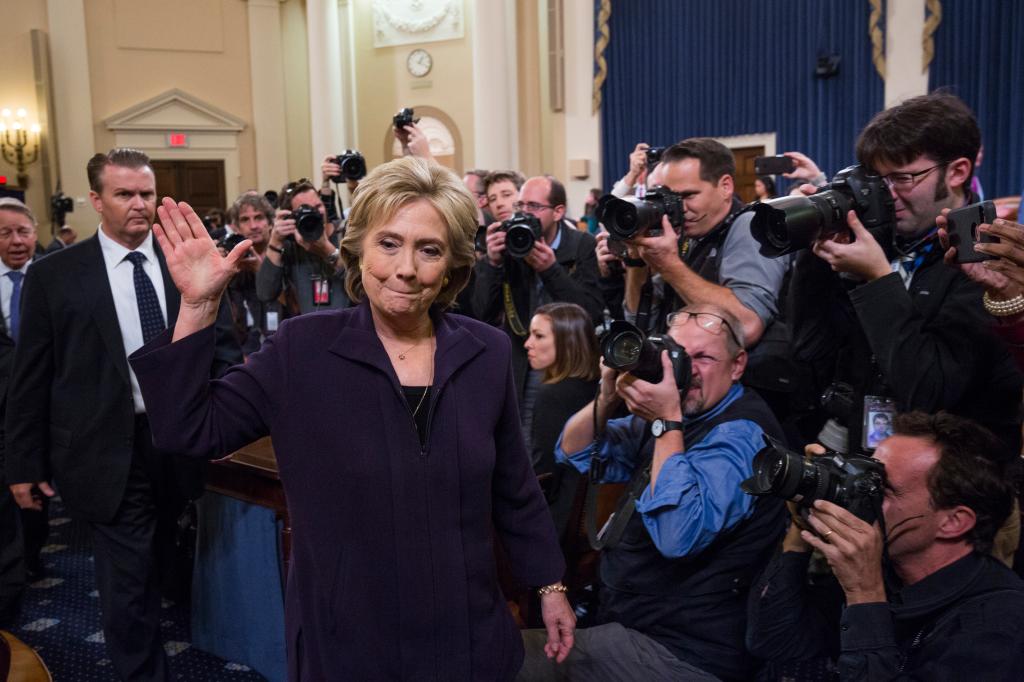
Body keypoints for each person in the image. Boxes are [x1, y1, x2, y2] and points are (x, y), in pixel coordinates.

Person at [128, 156, 575, 679]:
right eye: (388, 243)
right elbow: (189, 429)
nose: (405, 268)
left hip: (466, 636)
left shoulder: (487, 352)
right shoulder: (303, 350)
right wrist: (199, 308)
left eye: (428, 250)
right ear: (358, 247)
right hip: (348, 641)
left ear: (453, 265)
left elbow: (515, 488)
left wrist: (549, 586)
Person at [5, 148, 242, 681]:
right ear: (96, 200)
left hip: (180, 438)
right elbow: (31, 379)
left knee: (171, 556)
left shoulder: (184, 260)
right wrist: (24, 463)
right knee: (128, 577)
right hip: (102, 448)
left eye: (146, 194)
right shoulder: (56, 275)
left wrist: (228, 419)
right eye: (124, 194)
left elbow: (223, 347)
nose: (139, 204)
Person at [519, 304, 787, 682]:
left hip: (686, 654)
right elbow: (572, 450)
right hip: (635, 625)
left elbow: (678, 537)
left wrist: (665, 421)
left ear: (738, 364)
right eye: (678, 355)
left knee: (505, 659)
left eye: (704, 358)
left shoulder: (741, 435)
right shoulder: (684, 416)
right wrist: (607, 394)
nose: (688, 370)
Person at [788, 92, 1023, 455]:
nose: (888, 195)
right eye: (878, 182)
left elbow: (929, 394)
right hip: (869, 454)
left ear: (957, 171)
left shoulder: (989, 257)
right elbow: (809, 351)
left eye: (903, 178)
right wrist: (815, 247)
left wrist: (878, 279)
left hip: (956, 475)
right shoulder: (879, 240)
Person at [747, 412, 1024, 680]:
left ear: (953, 522)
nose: (860, 497)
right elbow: (774, 641)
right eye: (863, 476)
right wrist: (803, 523)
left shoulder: (997, 628)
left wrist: (865, 595)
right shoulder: (887, 568)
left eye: (881, 489)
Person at [523, 302, 600, 536]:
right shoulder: (596, 389)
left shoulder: (553, 395)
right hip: (589, 519)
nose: (528, 344)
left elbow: (544, 475)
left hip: (557, 522)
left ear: (567, 342)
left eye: (538, 336)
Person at [0, 198, 39, 626]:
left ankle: (33, 554)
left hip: (43, 408)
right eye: (4, 233)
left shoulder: (52, 277)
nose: (16, 241)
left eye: (22, 232)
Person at [256, 177, 350, 315]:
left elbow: (363, 284)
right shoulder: (290, 246)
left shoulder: (347, 234)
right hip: (306, 331)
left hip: (350, 329)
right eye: (306, 210)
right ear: (291, 217)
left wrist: (327, 251)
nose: (316, 213)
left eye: (318, 206)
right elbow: (265, 293)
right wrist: (275, 242)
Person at [223, 192, 283, 355]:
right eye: (245, 219)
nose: (253, 225)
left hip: (283, 344)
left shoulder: (285, 253)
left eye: (259, 217)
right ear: (235, 227)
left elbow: (295, 307)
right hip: (245, 349)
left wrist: (261, 270)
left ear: (271, 222)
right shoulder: (232, 258)